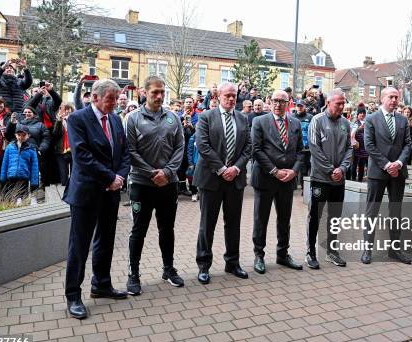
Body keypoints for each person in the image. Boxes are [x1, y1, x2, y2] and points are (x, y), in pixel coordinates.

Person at [63, 79, 131, 319]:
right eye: (110, 98)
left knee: (106, 240)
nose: (115, 103)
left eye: (116, 98)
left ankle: (101, 284)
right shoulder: (78, 119)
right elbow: (82, 156)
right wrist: (110, 177)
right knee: (79, 245)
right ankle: (73, 295)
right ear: (95, 97)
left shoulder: (114, 119)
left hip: (111, 192)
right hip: (87, 193)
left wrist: (120, 177)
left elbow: (124, 152)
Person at [125, 76, 185, 295]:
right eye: (154, 93)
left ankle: (168, 269)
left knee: (167, 229)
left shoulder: (173, 118)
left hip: (168, 185)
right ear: (144, 92)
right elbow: (130, 151)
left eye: (162, 92)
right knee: (138, 230)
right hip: (142, 183)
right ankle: (134, 275)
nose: (159, 96)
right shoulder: (132, 119)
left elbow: (180, 147)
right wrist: (152, 173)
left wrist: (167, 172)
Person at [193, 82, 252, 284]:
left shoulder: (243, 118)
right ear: (218, 96)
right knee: (207, 224)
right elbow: (203, 145)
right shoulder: (206, 117)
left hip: (235, 180)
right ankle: (203, 265)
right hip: (211, 179)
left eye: (234, 96)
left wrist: (235, 168)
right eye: (227, 95)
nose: (231, 99)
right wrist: (222, 168)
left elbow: (248, 147)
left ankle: (232, 263)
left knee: (233, 223)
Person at [250, 90, 303, 274]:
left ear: (289, 103)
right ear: (269, 101)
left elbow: (300, 151)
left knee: (284, 219)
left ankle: (282, 254)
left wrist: (294, 171)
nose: (278, 104)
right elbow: (256, 150)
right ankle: (259, 255)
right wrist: (274, 171)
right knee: (261, 219)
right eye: (275, 100)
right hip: (266, 178)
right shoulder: (259, 121)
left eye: (282, 101)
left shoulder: (295, 123)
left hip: (287, 180)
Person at [361, 87, 412, 265]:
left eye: (396, 97)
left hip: (398, 172)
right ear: (383, 98)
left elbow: (408, 145)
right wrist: (386, 164)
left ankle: (395, 250)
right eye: (391, 97)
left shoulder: (403, 120)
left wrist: (398, 163)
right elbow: (369, 145)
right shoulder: (371, 119)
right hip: (378, 172)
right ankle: (367, 249)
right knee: (372, 211)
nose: (394, 100)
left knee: (395, 211)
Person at [306, 89, 352, 269]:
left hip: (338, 180)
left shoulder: (346, 124)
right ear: (328, 102)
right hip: (320, 179)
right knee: (315, 216)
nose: (342, 106)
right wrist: (330, 169)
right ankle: (310, 252)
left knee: (334, 217)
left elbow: (349, 149)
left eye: (343, 103)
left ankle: (332, 252)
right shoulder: (316, 121)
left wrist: (341, 169)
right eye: (338, 103)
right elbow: (314, 148)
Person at [0, 124, 39, 206]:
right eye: (19, 135)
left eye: (24, 135)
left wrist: (34, 182)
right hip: (11, 177)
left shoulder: (31, 149)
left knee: (22, 197)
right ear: (15, 135)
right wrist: (3, 177)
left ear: (28, 136)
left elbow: (34, 167)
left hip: (24, 176)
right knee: (12, 198)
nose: (21, 137)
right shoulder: (10, 147)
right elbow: (5, 163)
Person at [293, 99, 313, 190]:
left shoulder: (310, 117)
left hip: (307, 147)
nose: (299, 108)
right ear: (295, 107)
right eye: (298, 106)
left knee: (305, 169)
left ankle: (304, 189)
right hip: (294, 147)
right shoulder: (291, 117)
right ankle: (294, 186)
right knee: (296, 167)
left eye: (301, 106)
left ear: (305, 107)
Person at [53, 103, 74, 187]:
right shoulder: (58, 121)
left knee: (74, 175)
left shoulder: (75, 121)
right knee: (63, 176)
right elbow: (55, 134)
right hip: (61, 151)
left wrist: (70, 120)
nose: (67, 112)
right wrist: (59, 121)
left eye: (69, 110)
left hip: (74, 151)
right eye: (65, 110)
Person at [349, 109, 368, 181]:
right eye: (361, 113)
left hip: (364, 148)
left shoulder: (367, 123)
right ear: (358, 115)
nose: (362, 115)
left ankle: (360, 180)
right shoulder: (355, 123)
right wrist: (359, 129)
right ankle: (353, 179)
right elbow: (351, 135)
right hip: (356, 147)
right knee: (354, 164)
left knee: (362, 166)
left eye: (363, 113)